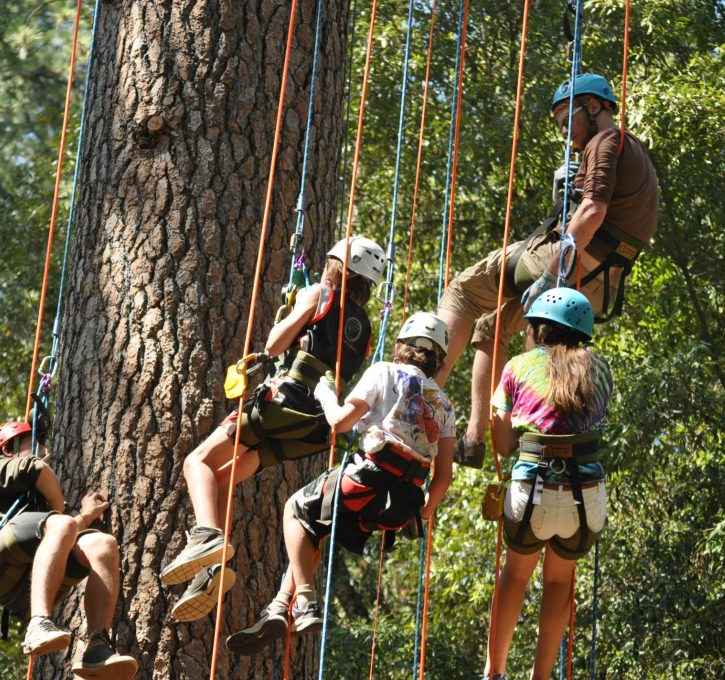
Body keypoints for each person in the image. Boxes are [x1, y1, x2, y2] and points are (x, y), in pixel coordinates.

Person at [436, 72, 658, 467]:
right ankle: (479, 438)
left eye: (565, 119)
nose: (564, 133)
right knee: (493, 327)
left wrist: (547, 273)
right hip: (600, 278)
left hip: (572, 259)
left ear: (593, 107)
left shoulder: (606, 140)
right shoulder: (635, 153)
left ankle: (421, 392)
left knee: (464, 291)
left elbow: (592, 211)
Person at [160, 236, 385, 622]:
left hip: (284, 402)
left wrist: (294, 313)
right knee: (222, 482)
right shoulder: (364, 329)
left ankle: (207, 540)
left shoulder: (319, 292)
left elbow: (274, 344)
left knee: (196, 463)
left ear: (337, 265)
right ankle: (212, 571)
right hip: (312, 428)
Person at [225, 312, 456, 655]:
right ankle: (280, 604)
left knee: (295, 510)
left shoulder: (384, 372)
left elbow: (340, 422)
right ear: (438, 359)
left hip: (367, 480)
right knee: (314, 528)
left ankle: (304, 601)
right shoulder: (445, 405)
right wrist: (423, 512)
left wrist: (323, 393)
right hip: (402, 504)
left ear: (403, 346)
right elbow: (445, 475)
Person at [482, 288, 612, 680]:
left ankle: (495, 671)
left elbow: (504, 442)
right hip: (585, 498)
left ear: (539, 328)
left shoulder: (518, 367)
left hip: (531, 490)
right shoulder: (601, 368)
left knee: (515, 575)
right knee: (559, 581)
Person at [0, 420, 138, 679]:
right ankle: (38, 624)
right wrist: (59, 512)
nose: (44, 450)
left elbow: (59, 533)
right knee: (61, 524)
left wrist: (84, 518)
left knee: (103, 545)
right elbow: (36, 470)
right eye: (35, 444)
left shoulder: (42, 510)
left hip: (26, 582)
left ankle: (97, 646)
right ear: (8, 450)